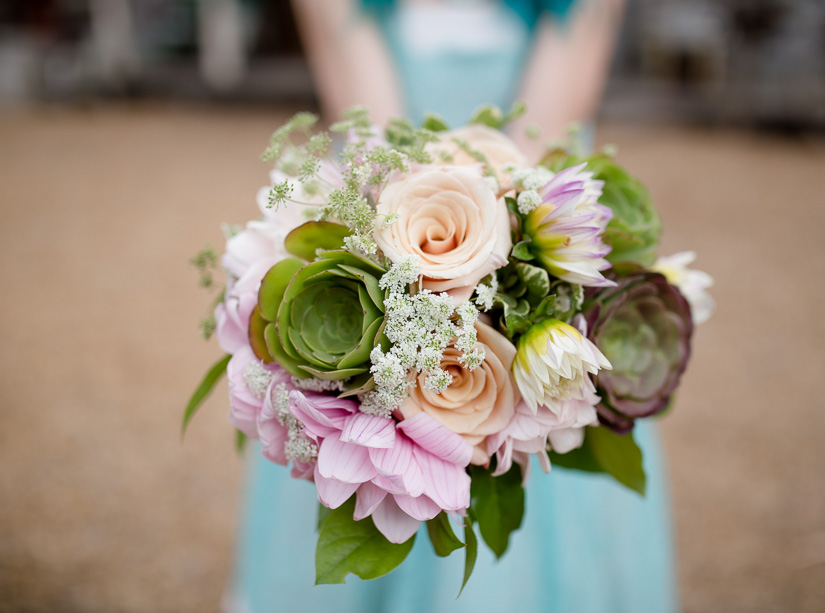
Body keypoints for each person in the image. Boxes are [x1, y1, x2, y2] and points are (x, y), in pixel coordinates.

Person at [226, 2, 679, 611]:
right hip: (379, 187)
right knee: (346, 410)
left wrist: (500, 266)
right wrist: (397, 255)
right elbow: (367, 117)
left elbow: (553, 111)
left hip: (533, 192)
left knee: (543, 422)